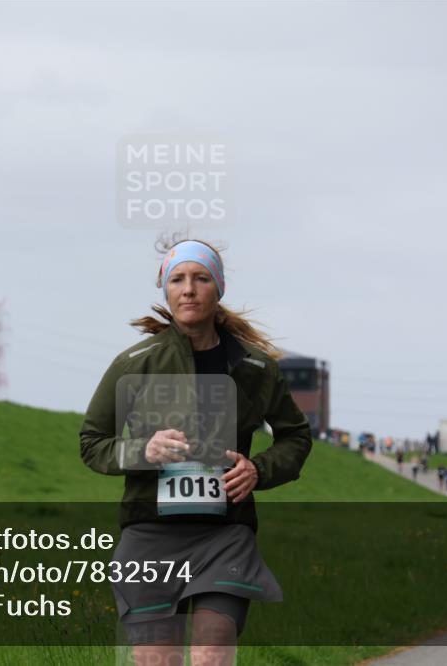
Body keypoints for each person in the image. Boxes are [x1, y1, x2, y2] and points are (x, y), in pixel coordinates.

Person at [80, 238, 312, 665]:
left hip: (225, 533)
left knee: (212, 652)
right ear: (166, 292)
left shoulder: (256, 369)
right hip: (149, 532)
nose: (189, 289)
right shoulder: (134, 363)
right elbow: (92, 443)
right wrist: (142, 450)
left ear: (217, 289)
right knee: (157, 660)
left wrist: (259, 469)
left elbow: (295, 436)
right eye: (178, 279)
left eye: (201, 278)